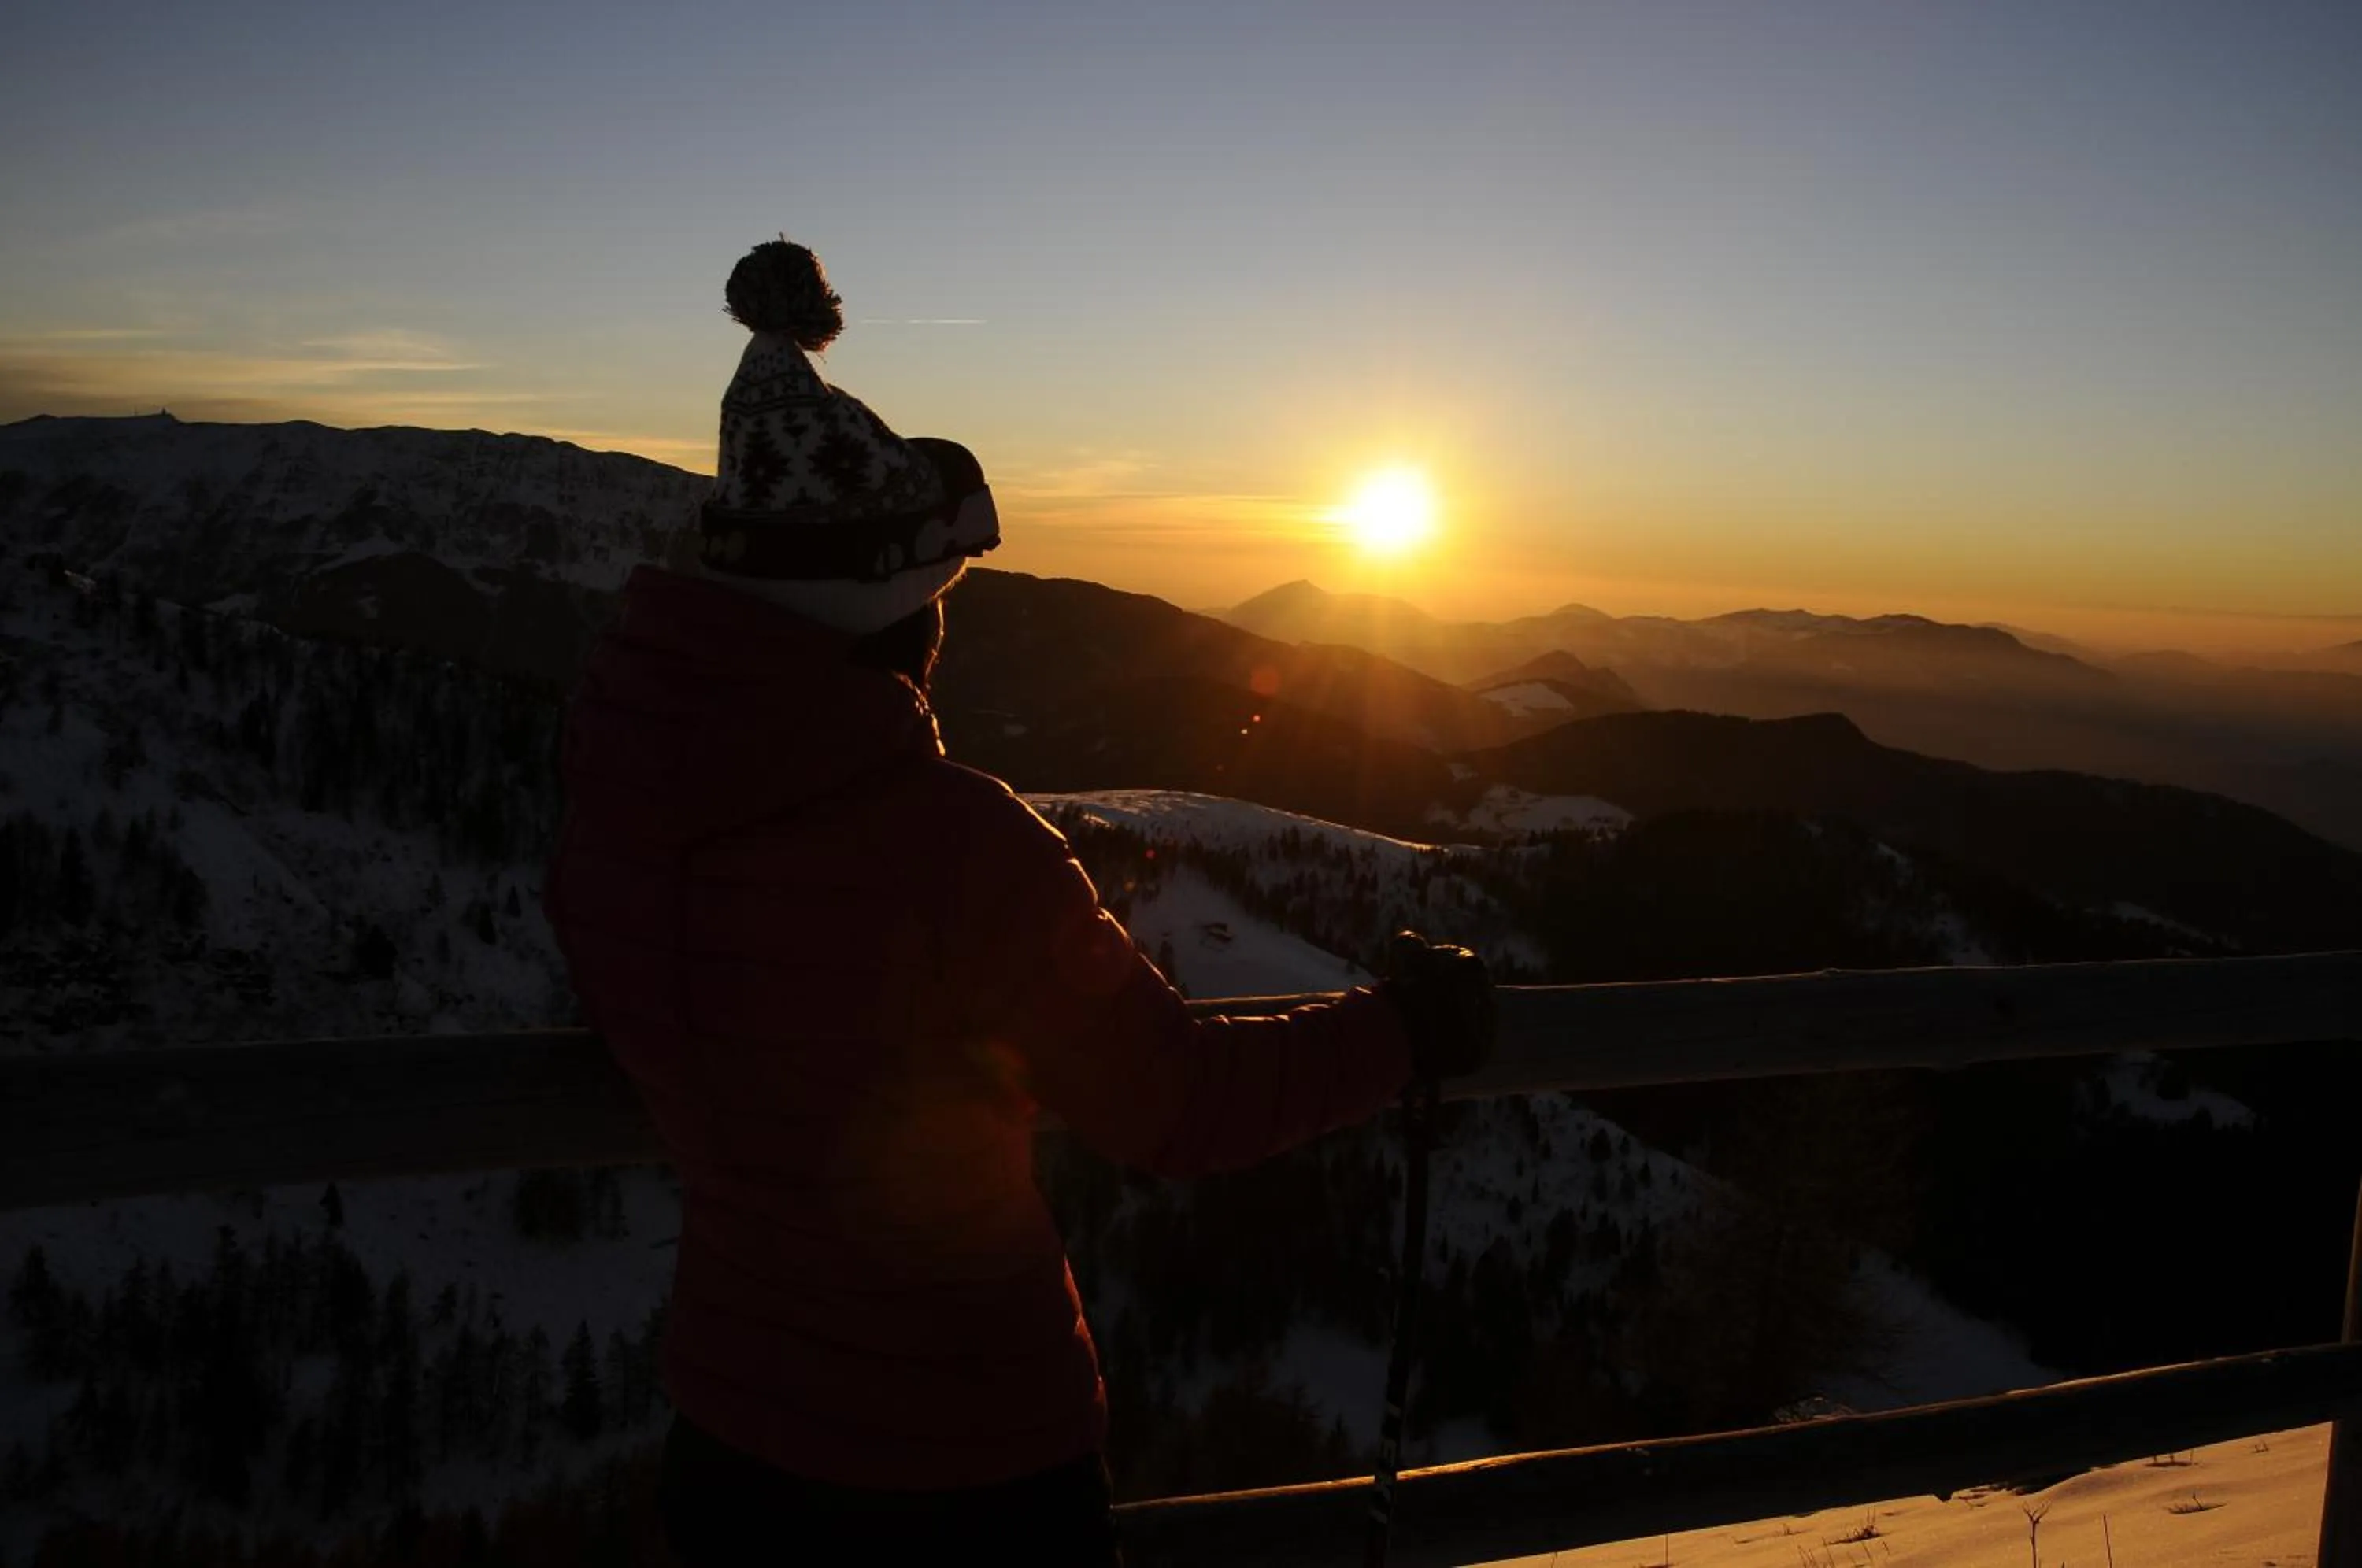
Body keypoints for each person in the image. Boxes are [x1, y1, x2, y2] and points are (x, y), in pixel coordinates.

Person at [542, 238, 1495, 1566]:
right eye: (940, 599)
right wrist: (1402, 1030)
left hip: (730, 1454)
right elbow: (1175, 1107)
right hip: (966, 1461)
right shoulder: (955, 847)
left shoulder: (615, 821)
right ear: (894, 616)